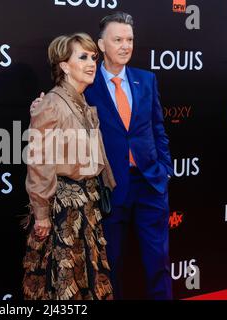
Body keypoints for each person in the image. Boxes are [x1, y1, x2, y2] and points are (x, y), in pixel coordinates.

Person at [31, 12, 174, 300]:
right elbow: (60, 108)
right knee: (108, 267)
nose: (125, 45)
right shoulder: (87, 83)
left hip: (150, 183)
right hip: (108, 189)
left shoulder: (146, 80)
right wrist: (40, 107)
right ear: (101, 45)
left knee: (158, 261)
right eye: (117, 39)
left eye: (130, 39)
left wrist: (164, 167)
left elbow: (157, 128)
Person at [22, 32, 116, 300]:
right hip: (63, 211)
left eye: (93, 57)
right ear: (64, 66)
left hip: (87, 205)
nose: (91, 63)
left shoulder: (80, 100)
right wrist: (41, 212)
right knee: (63, 285)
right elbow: (39, 162)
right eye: (83, 57)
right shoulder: (52, 104)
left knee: (85, 279)